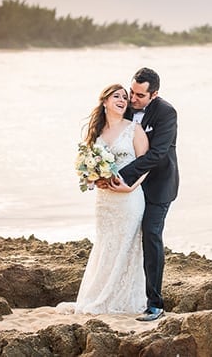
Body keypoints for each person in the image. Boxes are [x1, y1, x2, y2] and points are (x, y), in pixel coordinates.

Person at [58, 84, 149, 315]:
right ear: (105, 101)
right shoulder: (96, 134)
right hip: (104, 201)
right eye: (116, 96)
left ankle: (122, 298)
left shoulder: (134, 129)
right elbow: (86, 167)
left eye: (125, 98)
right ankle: (97, 295)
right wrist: (93, 178)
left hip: (129, 199)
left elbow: (147, 166)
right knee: (105, 246)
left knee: (125, 247)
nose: (122, 100)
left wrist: (129, 188)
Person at [103, 67, 179, 322]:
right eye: (131, 92)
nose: (132, 99)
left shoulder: (166, 113)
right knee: (121, 237)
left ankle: (155, 304)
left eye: (139, 95)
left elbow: (156, 155)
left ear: (154, 94)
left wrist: (123, 175)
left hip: (159, 186)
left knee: (151, 234)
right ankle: (116, 294)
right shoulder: (128, 105)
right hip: (127, 190)